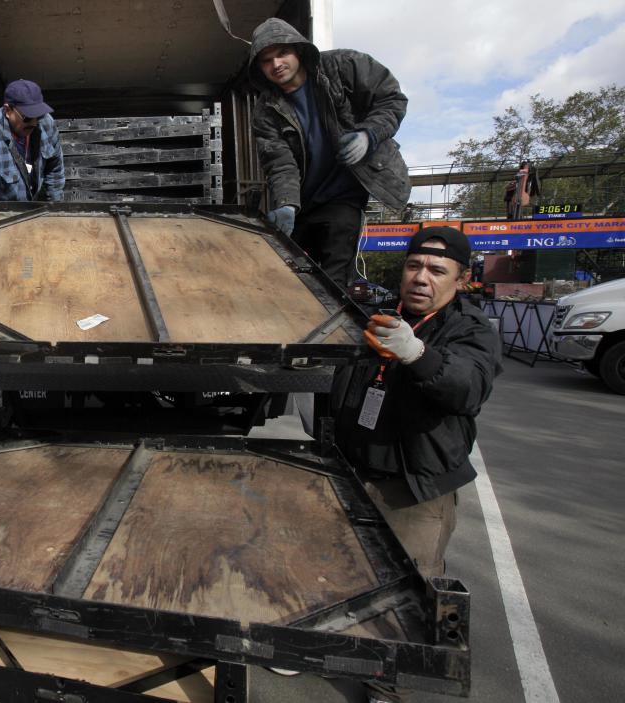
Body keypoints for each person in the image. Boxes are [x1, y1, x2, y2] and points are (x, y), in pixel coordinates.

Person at [334, 226, 502, 703]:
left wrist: (418, 354)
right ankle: (325, 649)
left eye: (436, 270)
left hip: (415, 489)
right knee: (340, 572)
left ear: (461, 279)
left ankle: (387, 684)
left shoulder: (470, 330)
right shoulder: (374, 317)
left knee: (409, 590)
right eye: (413, 266)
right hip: (352, 472)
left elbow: (467, 387)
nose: (421, 278)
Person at [247, 18, 411, 289]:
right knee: (289, 277)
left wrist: (369, 134)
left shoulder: (344, 66)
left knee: (334, 283)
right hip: (305, 201)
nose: (276, 65)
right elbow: (280, 163)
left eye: (281, 54)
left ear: (298, 50)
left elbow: (392, 99)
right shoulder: (265, 111)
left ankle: (333, 331)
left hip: (343, 197)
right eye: (266, 60)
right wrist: (287, 203)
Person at [0, 79, 65, 235]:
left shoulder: (45, 124)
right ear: (8, 110)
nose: (34, 123)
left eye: (39, 115)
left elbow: (55, 169)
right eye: (28, 117)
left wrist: (54, 216)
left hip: (31, 216)